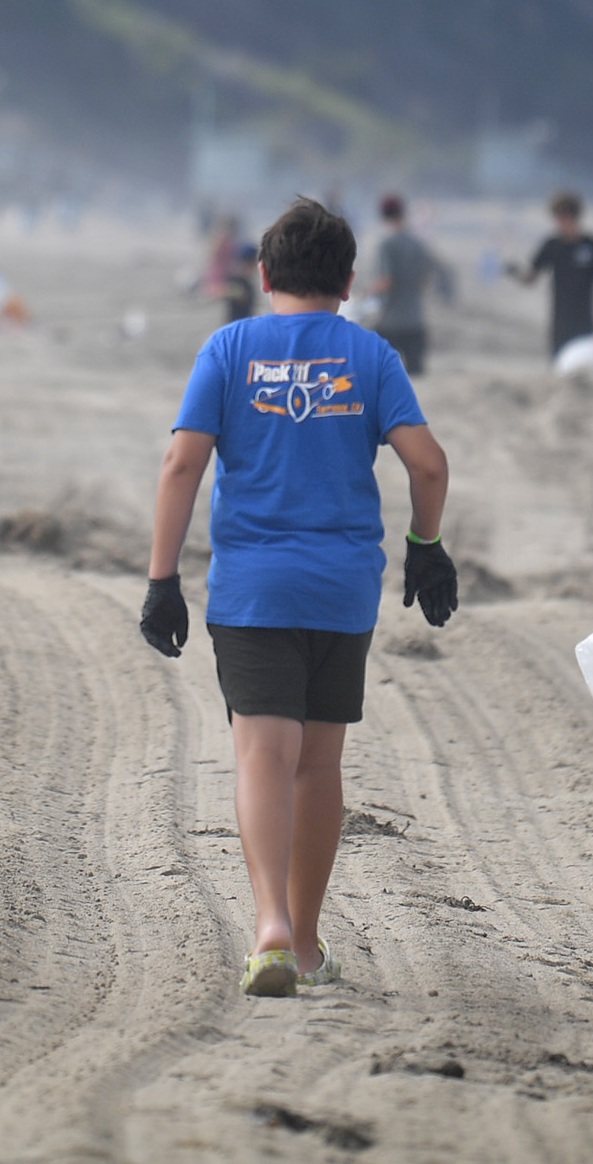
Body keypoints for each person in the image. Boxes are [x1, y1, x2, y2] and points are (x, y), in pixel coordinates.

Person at [141, 196, 455, 998]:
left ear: (263, 272)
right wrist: (426, 547)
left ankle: (269, 926)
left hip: (251, 589)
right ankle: (308, 941)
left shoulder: (230, 347)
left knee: (262, 757)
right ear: (348, 281)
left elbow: (182, 466)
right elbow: (427, 465)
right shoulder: (370, 354)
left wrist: (162, 578)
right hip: (341, 589)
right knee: (318, 767)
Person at [510, 189, 593, 358]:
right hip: (560, 321)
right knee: (560, 365)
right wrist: (515, 273)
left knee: (582, 364)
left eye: (560, 218)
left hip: (586, 321)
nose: (558, 223)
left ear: (572, 217)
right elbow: (530, 279)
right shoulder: (551, 245)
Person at [366, 192, 453, 377]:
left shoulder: (387, 245)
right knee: (416, 378)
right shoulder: (418, 245)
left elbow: (386, 281)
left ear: (383, 215)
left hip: (390, 324)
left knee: (379, 375)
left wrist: (367, 292)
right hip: (415, 323)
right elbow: (425, 281)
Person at [199, 213, 257, 325]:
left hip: (225, 270)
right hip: (222, 270)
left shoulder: (226, 239)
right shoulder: (222, 239)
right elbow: (214, 255)